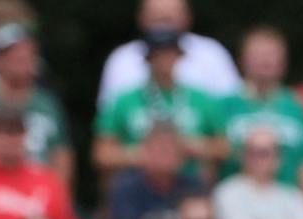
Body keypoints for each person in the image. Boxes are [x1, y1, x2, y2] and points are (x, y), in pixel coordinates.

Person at [91, 26, 225, 178]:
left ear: (179, 56)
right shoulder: (124, 101)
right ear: (148, 59)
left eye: (169, 53)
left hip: (190, 185)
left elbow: (225, 148)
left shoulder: (202, 99)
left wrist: (194, 146)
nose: (164, 60)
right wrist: (141, 154)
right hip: (138, 185)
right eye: (158, 55)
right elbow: (101, 153)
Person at [0, 22, 72, 189]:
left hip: (41, 193)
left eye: (28, 53)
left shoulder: (48, 104)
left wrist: (56, 195)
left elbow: (62, 154)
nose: (22, 58)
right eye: (14, 54)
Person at [217, 26, 303, 197]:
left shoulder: (297, 107)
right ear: (242, 61)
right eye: (258, 54)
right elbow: (213, 160)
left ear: (283, 61)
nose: (265, 60)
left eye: (271, 54)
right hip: (237, 204)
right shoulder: (224, 106)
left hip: (286, 207)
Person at [95, 0, 238, 108]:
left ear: (188, 16)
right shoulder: (121, 59)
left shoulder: (212, 53)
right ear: (141, 18)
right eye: (157, 16)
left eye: (169, 17)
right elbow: (108, 121)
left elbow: (232, 109)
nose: (164, 22)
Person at [105, 120, 203, 219]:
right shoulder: (127, 189)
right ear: (145, 152)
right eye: (160, 148)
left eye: (172, 149)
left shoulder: (194, 187)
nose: (166, 155)